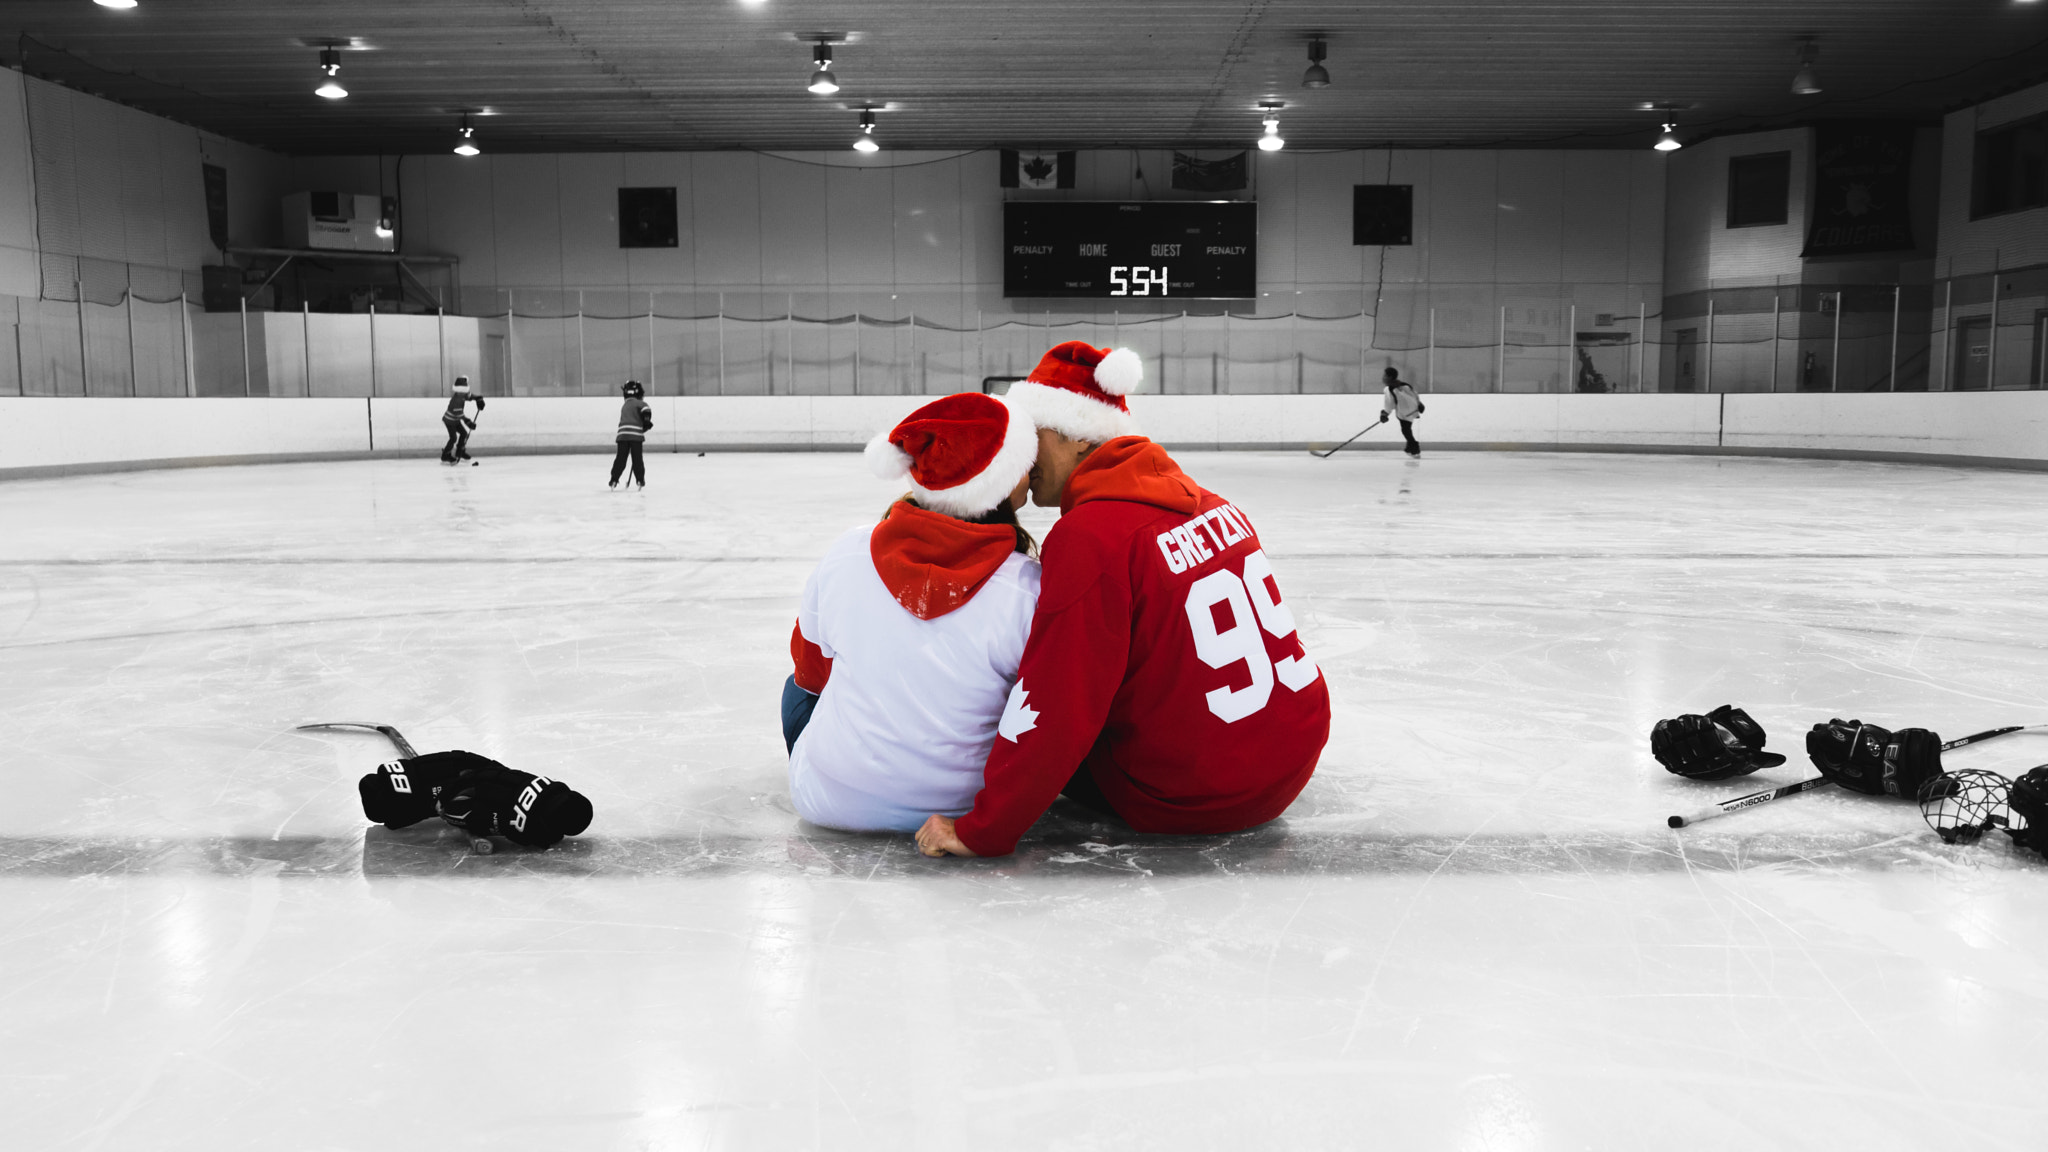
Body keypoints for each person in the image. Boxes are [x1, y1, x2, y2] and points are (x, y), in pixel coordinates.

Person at [914, 341, 1331, 859]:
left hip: (1191, 798)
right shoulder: (1212, 503)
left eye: (1030, 437)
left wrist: (984, 830)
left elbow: (1060, 705)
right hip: (1288, 761)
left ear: (1072, 434)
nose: (1020, 458)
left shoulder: (1090, 536)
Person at [784, 391, 1042, 832]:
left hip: (829, 801)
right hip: (964, 809)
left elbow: (811, 673)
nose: (1033, 472)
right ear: (1001, 483)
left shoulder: (850, 550)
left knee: (797, 688)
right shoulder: (1027, 586)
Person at [610, 380, 653, 489]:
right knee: (637, 459)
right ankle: (640, 479)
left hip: (622, 435)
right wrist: (646, 422)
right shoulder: (639, 403)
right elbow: (646, 410)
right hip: (636, 436)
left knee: (620, 458)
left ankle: (614, 479)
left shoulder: (625, 405)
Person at [1378, 366, 1423, 456]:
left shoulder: (1392, 388)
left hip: (1405, 412)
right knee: (1406, 429)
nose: (1383, 377)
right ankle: (1409, 448)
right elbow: (1414, 394)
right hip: (1410, 410)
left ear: (1390, 377)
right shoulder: (1403, 385)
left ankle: (1414, 448)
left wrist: (1385, 413)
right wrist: (1419, 403)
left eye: (1384, 375)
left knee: (1405, 430)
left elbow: (1389, 403)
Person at [441, 376, 485, 465]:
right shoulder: (456, 400)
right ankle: (445, 455)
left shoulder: (462, 394)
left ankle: (460, 451)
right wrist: (467, 422)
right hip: (449, 421)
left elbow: (469, 396)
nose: (464, 393)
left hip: (455, 420)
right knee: (453, 438)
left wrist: (478, 398)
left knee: (464, 434)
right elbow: (459, 413)